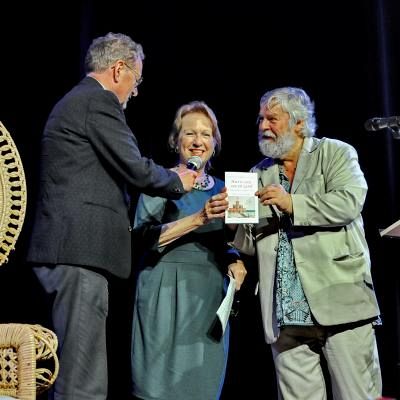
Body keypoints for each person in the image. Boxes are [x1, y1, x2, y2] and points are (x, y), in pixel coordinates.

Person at [26, 32, 197, 400]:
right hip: (78, 252)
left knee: (77, 373)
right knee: (84, 384)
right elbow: (135, 167)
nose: (134, 92)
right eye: (135, 81)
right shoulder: (97, 102)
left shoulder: (77, 102)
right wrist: (177, 180)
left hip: (70, 252)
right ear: (119, 69)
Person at [232, 87, 382, 399]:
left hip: (340, 300)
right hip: (285, 312)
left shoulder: (336, 153)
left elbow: (349, 201)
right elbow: (248, 245)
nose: (262, 126)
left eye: (272, 119)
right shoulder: (257, 173)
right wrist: (233, 216)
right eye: (260, 119)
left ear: (299, 123)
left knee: (357, 395)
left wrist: (292, 203)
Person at [130, 100, 247, 400]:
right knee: (156, 385)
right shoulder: (159, 181)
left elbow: (226, 242)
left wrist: (234, 258)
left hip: (207, 296)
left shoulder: (225, 188)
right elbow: (143, 238)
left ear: (215, 143)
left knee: (201, 384)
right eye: (189, 133)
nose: (198, 141)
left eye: (206, 134)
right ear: (175, 140)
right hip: (164, 290)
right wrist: (200, 218)